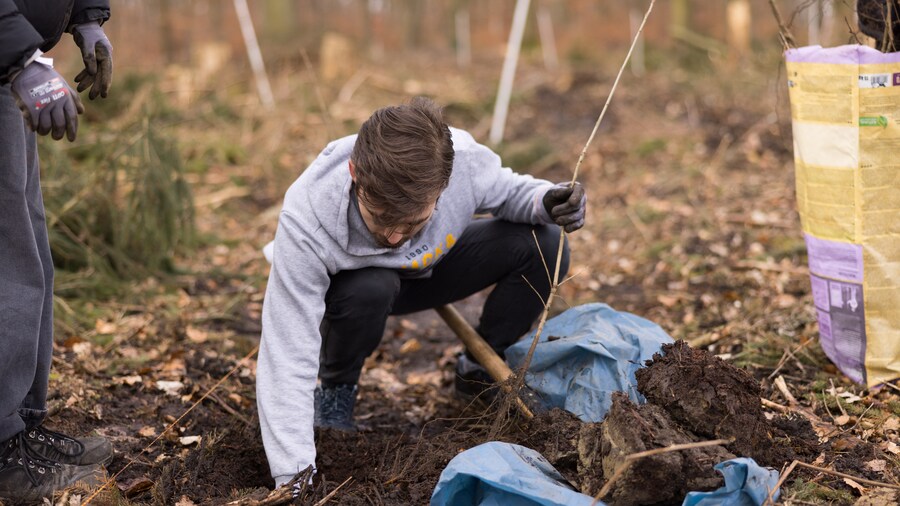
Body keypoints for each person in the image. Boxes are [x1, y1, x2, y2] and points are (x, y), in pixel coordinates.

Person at [257, 97, 586, 487]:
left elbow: (508, 191)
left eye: (412, 221)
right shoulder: (307, 218)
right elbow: (286, 354)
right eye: (380, 218)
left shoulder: (462, 159)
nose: (394, 236)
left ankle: (477, 372)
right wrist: (294, 476)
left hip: (431, 265)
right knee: (370, 287)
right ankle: (336, 390)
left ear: (444, 187)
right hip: (358, 290)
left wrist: (545, 201)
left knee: (545, 242)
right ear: (354, 172)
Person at [0, 0, 115, 501]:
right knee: (6, 261)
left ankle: (22, 426)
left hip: (10, 66)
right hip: (9, 59)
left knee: (29, 252)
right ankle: (3, 451)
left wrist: (84, 15)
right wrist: (20, 55)